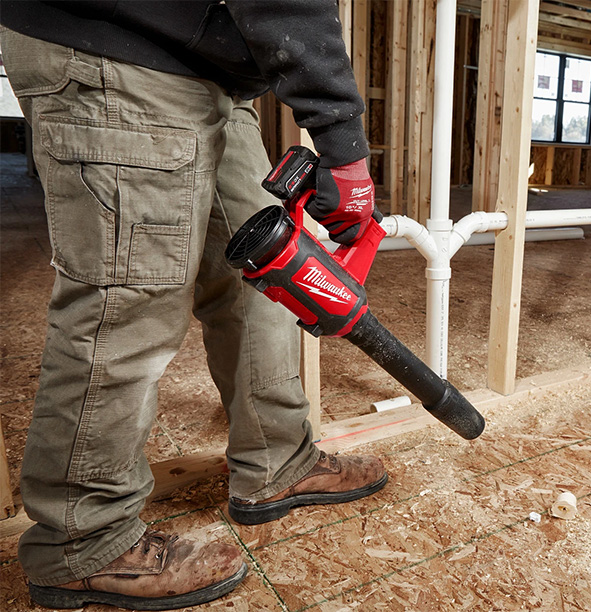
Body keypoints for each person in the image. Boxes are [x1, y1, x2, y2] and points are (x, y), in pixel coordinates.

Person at [0, 1, 388, 609]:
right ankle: (84, 540)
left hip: (211, 80)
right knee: (128, 302)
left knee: (268, 278)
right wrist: (341, 137)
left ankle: (277, 461)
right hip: (120, 54)